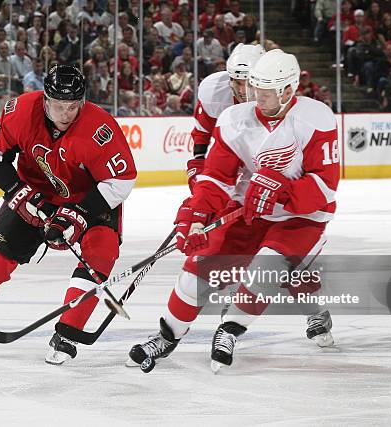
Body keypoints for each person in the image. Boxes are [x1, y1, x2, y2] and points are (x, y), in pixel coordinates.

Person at [128, 49, 338, 372]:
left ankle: (230, 330)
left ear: (287, 90)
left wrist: (282, 190)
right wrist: (195, 217)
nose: (254, 97)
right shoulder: (234, 119)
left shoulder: (316, 119)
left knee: (268, 269)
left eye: (264, 92)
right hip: (249, 208)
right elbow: (215, 179)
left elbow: (326, 187)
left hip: (302, 217)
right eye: (252, 89)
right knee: (198, 267)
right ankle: (166, 336)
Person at [0, 65, 138, 365]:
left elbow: (121, 181)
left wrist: (79, 214)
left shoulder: (101, 128)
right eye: (59, 106)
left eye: (73, 106)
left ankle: (67, 333)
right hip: (34, 191)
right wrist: (17, 191)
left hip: (88, 199)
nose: (66, 114)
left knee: (101, 254)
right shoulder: (22, 110)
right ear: (45, 100)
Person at [187, 44, 265, 194]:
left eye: (248, 83)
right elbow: (202, 131)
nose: (242, 91)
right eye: (237, 82)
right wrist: (199, 161)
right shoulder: (214, 92)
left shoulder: (276, 98)